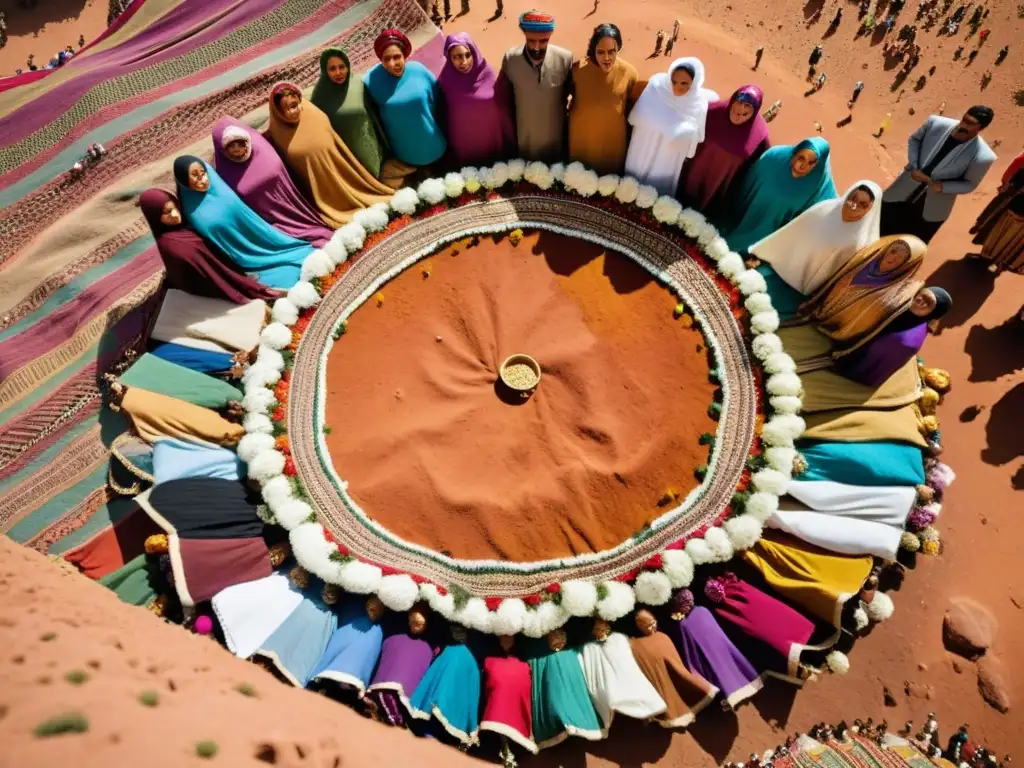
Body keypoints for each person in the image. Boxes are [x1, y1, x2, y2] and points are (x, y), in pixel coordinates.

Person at [172, 155, 314, 290]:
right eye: (195, 176)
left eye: (203, 173)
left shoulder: (219, 187)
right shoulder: (189, 208)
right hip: (239, 259)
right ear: (184, 181)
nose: (203, 180)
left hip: (261, 240)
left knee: (304, 257)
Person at [748, 181, 883, 318]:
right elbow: (791, 233)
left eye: (863, 205)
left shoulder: (863, 244)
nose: (854, 206)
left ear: (870, 210)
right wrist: (762, 252)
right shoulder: (824, 209)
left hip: (801, 296)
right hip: (778, 271)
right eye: (853, 199)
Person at [266, 82, 393, 226]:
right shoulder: (277, 133)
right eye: (285, 110)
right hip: (322, 190)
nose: (292, 112)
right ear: (277, 112)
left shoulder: (314, 114)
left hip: (343, 171)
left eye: (294, 105)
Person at [787, 235, 928, 365]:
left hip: (844, 332)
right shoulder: (863, 260)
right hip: (823, 310)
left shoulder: (897, 294)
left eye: (902, 258)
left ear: (908, 264)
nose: (893, 258)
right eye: (893, 251)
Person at [139, 188, 281, 304]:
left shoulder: (182, 229)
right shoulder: (175, 246)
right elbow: (201, 277)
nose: (175, 214)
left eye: (174, 207)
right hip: (211, 290)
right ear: (154, 216)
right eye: (167, 213)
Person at [211, 117, 335, 247]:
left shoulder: (262, 150)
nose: (236, 149)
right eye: (230, 146)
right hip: (269, 222)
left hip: (295, 206)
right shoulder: (225, 172)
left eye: (239, 143)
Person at [880, 105, 996, 243]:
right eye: (964, 119)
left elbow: (970, 184)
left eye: (970, 123)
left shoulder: (983, 156)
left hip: (931, 210)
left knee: (907, 246)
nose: (964, 124)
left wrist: (940, 186)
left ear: (981, 128)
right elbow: (914, 139)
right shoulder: (935, 123)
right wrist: (914, 165)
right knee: (876, 229)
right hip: (900, 193)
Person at [719, 137, 838, 253]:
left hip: (769, 248)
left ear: (817, 165)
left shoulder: (819, 188)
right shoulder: (774, 158)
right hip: (737, 223)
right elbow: (746, 186)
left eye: (810, 162)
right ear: (795, 152)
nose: (802, 166)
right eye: (801, 158)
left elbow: (816, 228)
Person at [624, 57, 718, 197]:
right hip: (643, 149)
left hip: (667, 159)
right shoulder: (656, 88)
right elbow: (636, 117)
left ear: (694, 83)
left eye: (684, 83)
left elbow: (694, 140)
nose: (677, 87)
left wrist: (683, 132)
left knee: (655, 197)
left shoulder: (697, 104)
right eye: (673, 81)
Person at [675, 84, 770, 220]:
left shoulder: (759, 133)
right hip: (692, 174)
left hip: (720, 187)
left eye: (745, 113)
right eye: (737, 108)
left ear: (754, 112)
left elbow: (762, 162)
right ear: (732, 101)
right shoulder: (712, 111)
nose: (739, 115)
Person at [833, 285, 952, 385]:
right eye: (921, 295)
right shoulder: (906, 309)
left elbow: (869, 360)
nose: (921, 301)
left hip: (857, 371)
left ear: (934, 312)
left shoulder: (906, 340)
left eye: (928, 303)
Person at [364, 30, 447, 170]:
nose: (392, 64)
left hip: (436, 147)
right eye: (386, 59)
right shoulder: (371, 82)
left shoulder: (419, 71)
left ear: (405, 55)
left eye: (397, 57)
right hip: (405, 158)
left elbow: (437, 98)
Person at [499, 10, 573, 162]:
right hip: (524, 142)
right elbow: (504, 100)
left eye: (543, 41)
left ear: (550, 35)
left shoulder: (565, 60)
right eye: (531, 40)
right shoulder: (510, 59)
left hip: (555, 143)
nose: (537, 47)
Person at [437, 32, 516, 167]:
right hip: (464, 143)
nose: (464, 62)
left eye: (468, 55)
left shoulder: (489, 75)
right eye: (457, 57)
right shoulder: (445, 81)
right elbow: (441, 112)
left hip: (490, 138)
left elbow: (504, 106)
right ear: (449, 58)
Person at [567, 23, 638, 174]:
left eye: (612, 51)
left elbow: (633, 110)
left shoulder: (629, 73)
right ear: (593, 50)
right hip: (581, 143)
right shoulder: (577, 70)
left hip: (612, 146)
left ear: (619, 48)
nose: (607, 58)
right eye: (601, 52)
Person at [310, 48, 389, 182]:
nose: (338, 72)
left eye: (342, 67)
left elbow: (374, 114)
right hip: (345, 156)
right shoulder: (319, 96)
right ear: (325, 71)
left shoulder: (358, 84)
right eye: (332, 69)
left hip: (371, 148)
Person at [968, 150, 1024, 274]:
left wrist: (1007, 187)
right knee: (1014, 240)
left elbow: (1010, 179)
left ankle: (988, 261)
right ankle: (999, 263)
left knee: (1001, 234)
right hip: (1015, 207)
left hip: (1015, 209)